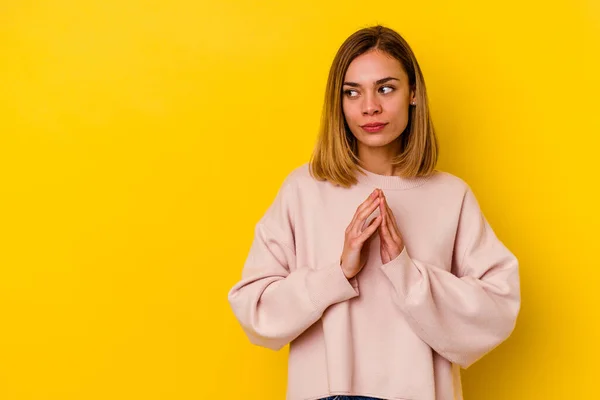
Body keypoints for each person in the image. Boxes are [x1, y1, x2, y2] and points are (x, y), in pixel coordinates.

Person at [227, 25, 521, 400]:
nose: (370, 107)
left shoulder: (451, 196)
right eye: (353, 92)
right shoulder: (304, 189)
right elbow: (254, 310)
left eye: (386, 88)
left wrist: (405, 271)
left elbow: (497, 309)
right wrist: (339, 272)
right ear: (339, 102)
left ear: (413, 93)